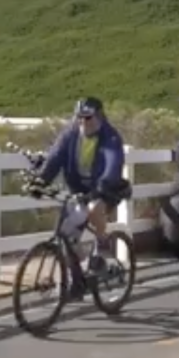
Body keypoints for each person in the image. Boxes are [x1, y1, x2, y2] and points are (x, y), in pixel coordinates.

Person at [30, 97, 129, 269]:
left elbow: (113, 164)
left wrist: (102, 186)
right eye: (79, 117)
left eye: (88, 117)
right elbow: (55, 157)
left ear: (99, 116)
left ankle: (102, 246)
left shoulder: (110, 137)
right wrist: (41, 180)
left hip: (106, 188)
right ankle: (77, 279)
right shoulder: (70, 133)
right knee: (66, 235)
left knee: (94, 208)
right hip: (77, 189)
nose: (83, 121)